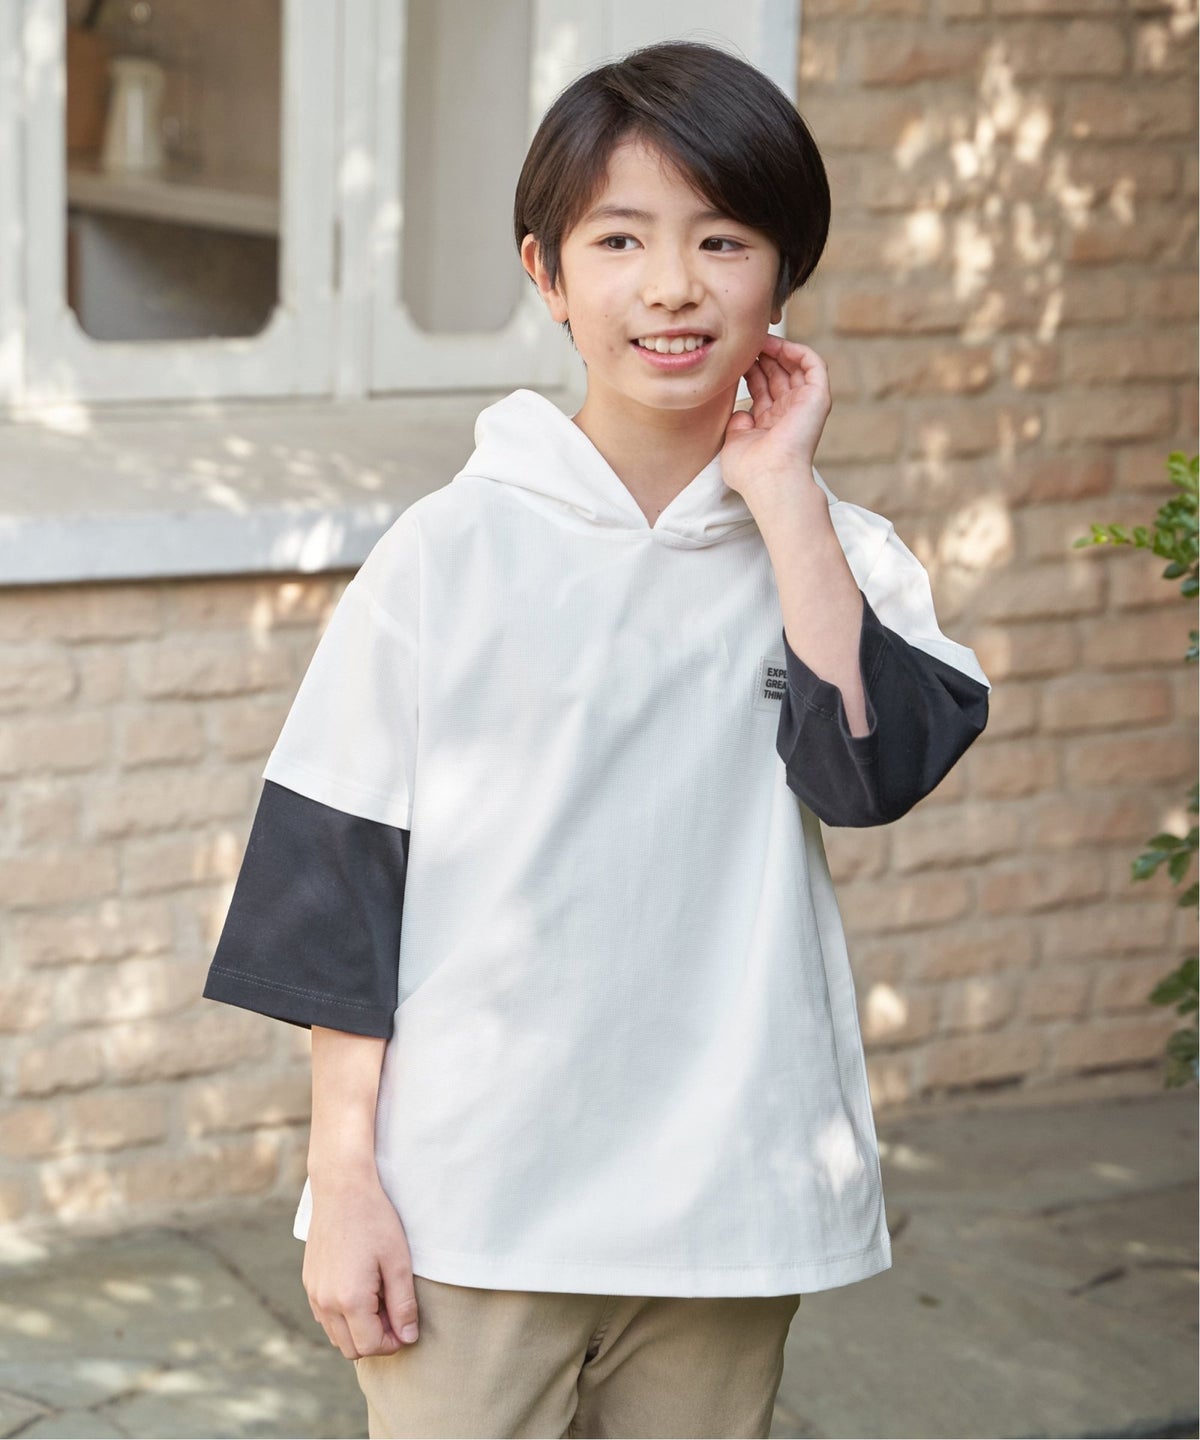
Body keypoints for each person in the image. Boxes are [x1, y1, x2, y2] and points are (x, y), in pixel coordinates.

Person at [202, 38, 990, 1440]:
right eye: (620, 239)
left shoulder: (839, 556)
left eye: (723, 239)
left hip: (728, 1204)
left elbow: (867, 777)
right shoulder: (449, 552)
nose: (673, 285)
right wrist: (346, 1180)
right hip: (468, 1208)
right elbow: (337, 885)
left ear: (784, 276)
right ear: (547, 274)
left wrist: (784, 497)